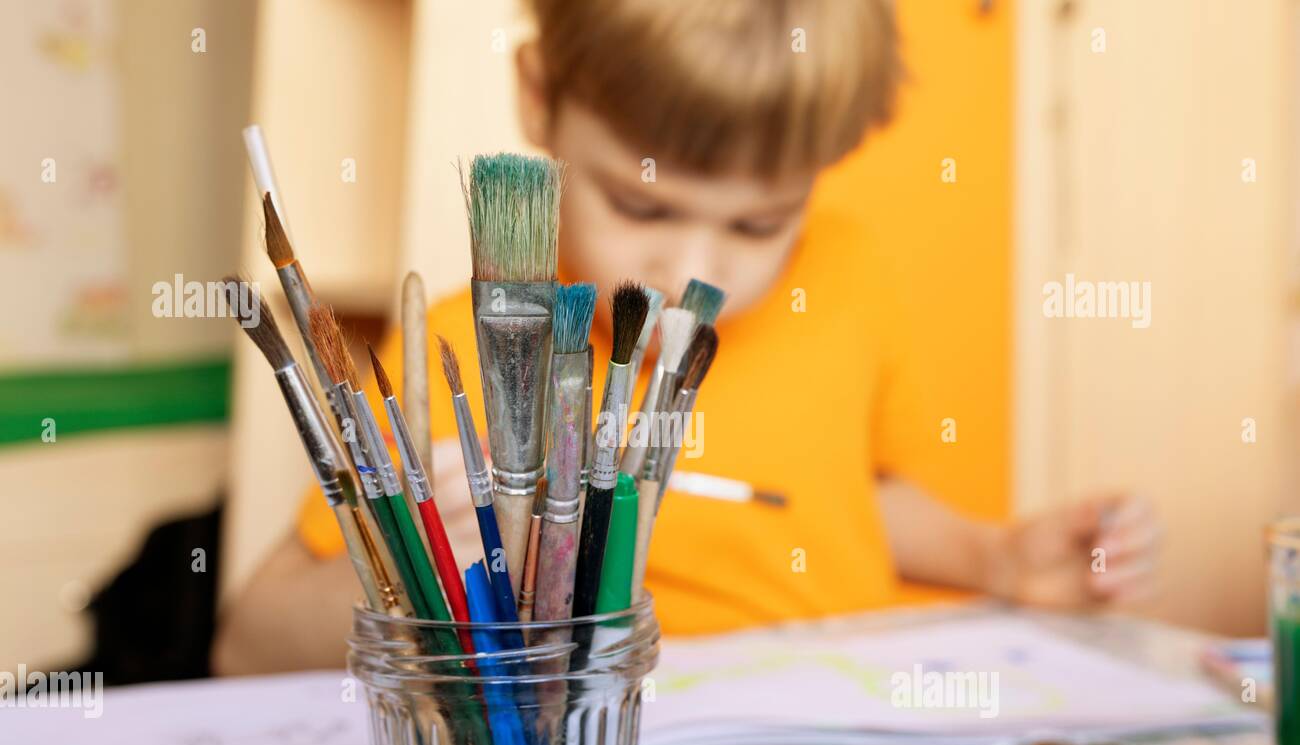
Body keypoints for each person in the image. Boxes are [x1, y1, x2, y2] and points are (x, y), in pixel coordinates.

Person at [213, 0, 1159, 675]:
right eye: (642, 204)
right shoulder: (470, 349)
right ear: (539, 97)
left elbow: (840, 497)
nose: (695, 272)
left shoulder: (846, 276)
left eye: (759, 224)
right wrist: (427, 560)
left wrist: (996, 558)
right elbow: (246, 644)